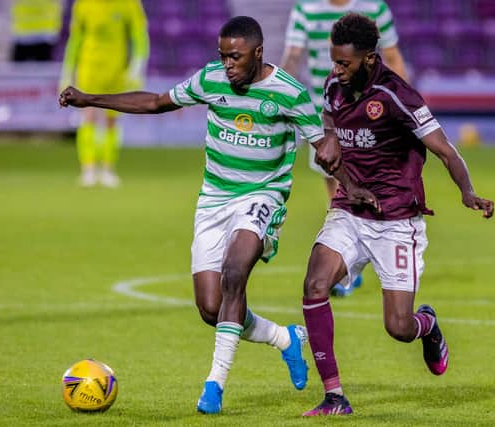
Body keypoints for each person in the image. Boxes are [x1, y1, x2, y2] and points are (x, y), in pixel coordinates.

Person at [60, 15, 375, 415]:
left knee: (234, 271)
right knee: (211, 308)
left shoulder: (288, 93)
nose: (228, 64)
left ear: (258, 54)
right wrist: (90, 98)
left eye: (236, 57)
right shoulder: (211, 80)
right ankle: (285, 339)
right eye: (223, 56)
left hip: (262, 196)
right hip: (214, 198)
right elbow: (157, 102)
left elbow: (324, 149)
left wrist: (354, 186)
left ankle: (214, 386)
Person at [300, 13, 495, 416]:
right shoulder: (333, 87)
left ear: (370, 58)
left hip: (396, 221)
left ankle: (428, 324)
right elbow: (329, 120)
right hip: (350, 208)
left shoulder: (396, 94)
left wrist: (468, 192)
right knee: (315, 284)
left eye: (344, 63)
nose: (336, 70)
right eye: (334, 61)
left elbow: (444, 149)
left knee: (398, 328)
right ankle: (335, 396)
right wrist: (332, 139)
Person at [281, 0, 408, 297]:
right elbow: (292, 56)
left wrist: (403, 107)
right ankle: (350, 263)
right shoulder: (306, 8)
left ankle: (362, 260)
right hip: (323, 116)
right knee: (338, 190)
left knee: (367, 186)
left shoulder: (374, 8)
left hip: (370, 114)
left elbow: (393, 57)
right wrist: (277, 89)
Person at [60, 0, 149, 187]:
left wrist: (137, 66)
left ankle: (108, 169)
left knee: (111, 119)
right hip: (89, 69)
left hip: (116, 71)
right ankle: (88, 169)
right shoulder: (83, 4)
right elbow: (75, 39)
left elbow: (139, 36)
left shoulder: (129, 4)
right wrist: (67, 70)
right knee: (88, 117)